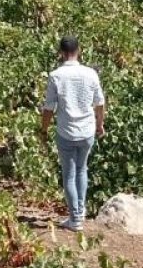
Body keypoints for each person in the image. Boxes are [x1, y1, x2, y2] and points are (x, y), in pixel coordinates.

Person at [40, 36, 106, 232]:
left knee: (69, 174)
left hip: (66, 132)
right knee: (82, 169)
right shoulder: (91, 74)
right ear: (79, 50)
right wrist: (99, 125)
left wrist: (43, 129)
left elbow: (49, 108)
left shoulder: (55, 75)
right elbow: (100, 103)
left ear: (61, 52)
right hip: (87, 131)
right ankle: (80, 210)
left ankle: (75, 219)